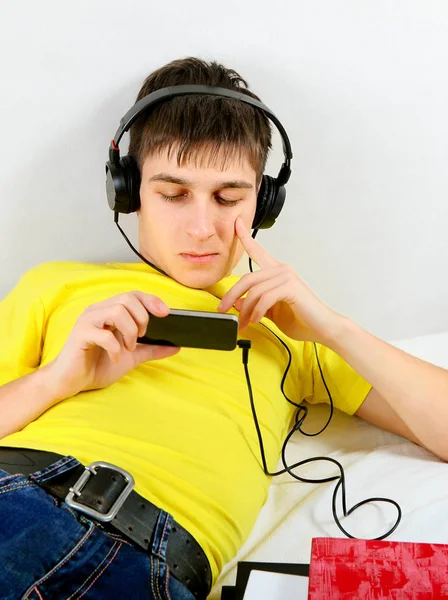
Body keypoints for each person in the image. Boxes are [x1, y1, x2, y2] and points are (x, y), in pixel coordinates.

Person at [0, 57, 447, 600]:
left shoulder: (290, 338)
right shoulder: (57, 286)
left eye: (229, 198)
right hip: (17, 496)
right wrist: (56, 381)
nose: (201, 227)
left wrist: (334, 328)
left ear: (264, 202)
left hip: (156, 569)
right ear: (129, 190)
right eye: (173, 194)